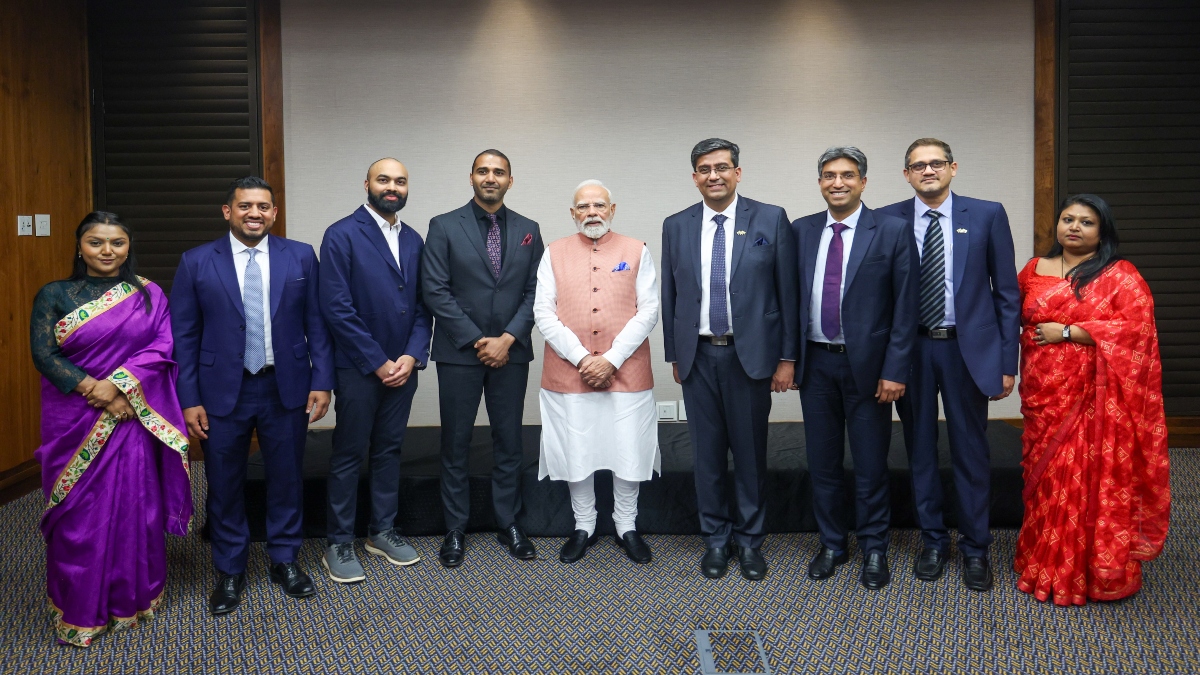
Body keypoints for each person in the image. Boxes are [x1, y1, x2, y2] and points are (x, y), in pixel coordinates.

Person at [172, 177, 334, 613]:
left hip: (286, 385)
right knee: (223, 482)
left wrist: (322, 381)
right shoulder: (195, 262)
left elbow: (317, 323)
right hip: (221, 391)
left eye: (263, 206)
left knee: (286, 476)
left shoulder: (300, 255)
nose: (255, 213)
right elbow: (183, 337)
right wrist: (188, 397)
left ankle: (285, 559)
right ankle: (229, 569)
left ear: (274, 213)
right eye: (245, 206)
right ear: (228, 211)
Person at [31, 212, 192, 646]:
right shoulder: (55, 295)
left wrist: (121, 388)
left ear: (128, 246)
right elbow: (44, 354)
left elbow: (163, 345)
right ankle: (79, 605)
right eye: (96, 242)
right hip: (75, 416)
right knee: (78, 516)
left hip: (130, 415)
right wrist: (95, 389)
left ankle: (130, 598)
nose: (107, 251)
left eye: (117, 242)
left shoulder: (149, 294)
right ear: (79, 246)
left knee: (135, 506)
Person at [876, 138, 1020, 591]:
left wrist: (1006, 360)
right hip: (911, 351)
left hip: (967, 351)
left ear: (953, 168)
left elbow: (1007, 295)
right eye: (917, 166)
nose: (928, 171)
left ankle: (976, 549)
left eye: (936, 163)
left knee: (971, 453)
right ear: (906, 175)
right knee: (919, 450)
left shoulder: (987, 214)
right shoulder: (885, 219)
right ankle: (934, 542)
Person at [1015, 194, 1169, 605]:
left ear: (1103, 231)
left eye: (1086, 222)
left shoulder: (1120, 275)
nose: (1074, 228)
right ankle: (1041, 558)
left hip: (1095, 397)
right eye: (1068, 219)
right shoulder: (1034, 269)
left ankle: (1086, 569)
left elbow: (1135, 333)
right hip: (1043, 390)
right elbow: (1007, 314)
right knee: (1045, 476)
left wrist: (1066, 332)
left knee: (1088, 475)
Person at [661, 138, 798, 581]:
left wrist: (787, 358)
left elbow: (787, 295)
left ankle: (750, 540)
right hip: (698, 357)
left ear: (738, 172)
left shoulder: (770, 218)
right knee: (706, 456)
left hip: (751, 356)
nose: (714, 175)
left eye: (722, 167)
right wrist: (675, 355)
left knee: (750, 453)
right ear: (695, 176)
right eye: (705, 168)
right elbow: (671, 296)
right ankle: (716, 540)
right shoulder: (676, 225)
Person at [792, 146, 917, 590]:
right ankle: (831, 543)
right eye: (829, 175)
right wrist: (789, 360)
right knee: (823, 463)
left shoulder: (892, 231)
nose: (837, 182)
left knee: (869, 464)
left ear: (864, 181)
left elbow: (906, 307)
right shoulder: (802, 231)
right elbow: (789, 302)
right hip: (817, 366)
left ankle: (875, 547)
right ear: (820, 182)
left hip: (870, 370)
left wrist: (896, 369)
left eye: (847, 175)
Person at [423, 149, 545, 567]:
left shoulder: (530, 229)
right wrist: (479, 340)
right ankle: (454, 528)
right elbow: (435, 289)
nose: (490, 177)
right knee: (455, 442)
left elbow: (537, 292)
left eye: (499, 172)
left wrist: (508, 338)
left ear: (511, 180)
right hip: (460, 352)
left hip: (512, 353)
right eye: (483, 171)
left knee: (508, 440)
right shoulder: (443, 226)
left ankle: (508, 521)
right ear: (470, 176)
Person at [319, 158, 433, 583]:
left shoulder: (414, 238)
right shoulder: (342, 234)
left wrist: (412, 355)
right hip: (358, 368)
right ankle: (339, 541)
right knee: (349, 454)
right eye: (383, 179)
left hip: (403, 367)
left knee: (389, 449)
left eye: (400, 181)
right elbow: (336, 308)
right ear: (366, 183)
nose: (392, 187)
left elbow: (424, 306)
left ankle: (382, 530)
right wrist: (379, 361)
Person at [534, 180, 660, 565]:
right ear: (573, 213)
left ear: (612, 209)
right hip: (569, 373)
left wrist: (612, 359)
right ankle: (583, 524)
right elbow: (543, 312)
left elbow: (649, 310)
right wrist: (582, 358)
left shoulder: (636, 250)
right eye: (583, 206)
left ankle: (626, 525)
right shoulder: (553, 252)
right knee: (577, 449)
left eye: (599, 205)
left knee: (628, 448)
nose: (592, 212)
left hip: (627, 371)